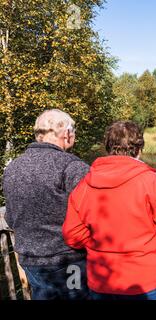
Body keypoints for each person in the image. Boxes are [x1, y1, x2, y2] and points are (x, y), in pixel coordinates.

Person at [62, 121, 156, 300]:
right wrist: (154, 244)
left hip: (103, 281)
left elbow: (72, 235)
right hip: (148, 280)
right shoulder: (151, 181)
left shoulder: (85, 185)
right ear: (139, 149)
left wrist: (97, 245)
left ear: (108, 148)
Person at [3, 109, 90, 300]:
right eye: (73, 131)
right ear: (67, 133)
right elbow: (96, 215)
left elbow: (10, 217)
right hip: (69, 262)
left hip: (30, 262)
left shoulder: (13, 168)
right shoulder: (73, 167)